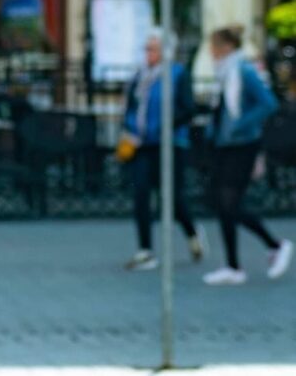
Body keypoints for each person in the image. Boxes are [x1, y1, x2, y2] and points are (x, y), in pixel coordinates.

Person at [202, 25, 293, 286]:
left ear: (227, 47)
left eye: (214, 47)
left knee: (230, 202)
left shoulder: (242, 70)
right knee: (221, 204)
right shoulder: (223, 74)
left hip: (242, 145)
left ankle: (276, 244)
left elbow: (268, 103)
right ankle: (232, 265)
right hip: (223, 145)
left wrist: (241, 123)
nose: (211, 52)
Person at [119, 28, 205, 271]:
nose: (148, 53)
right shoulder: (140, 76)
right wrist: (128, 128)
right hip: (141, 144)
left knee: (172, 198)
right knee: (141, 194)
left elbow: (188, 108)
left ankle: (192, 232)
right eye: (146, 48)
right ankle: (145, 250)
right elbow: (132, 107)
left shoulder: (177, 74)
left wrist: (167, 126)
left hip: (170, 144)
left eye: (153, 49)